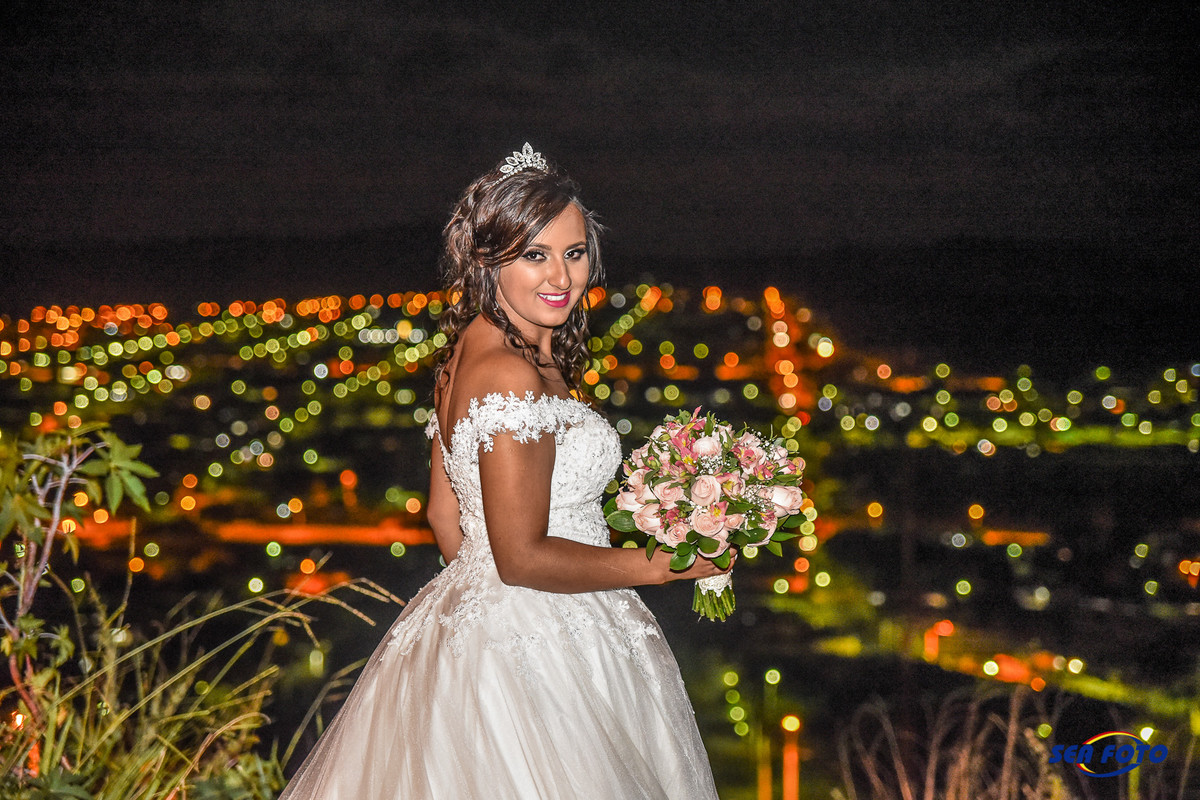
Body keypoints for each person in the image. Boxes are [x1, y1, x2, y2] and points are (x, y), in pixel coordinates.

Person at [278, 144, 727, 799]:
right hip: (545, 639)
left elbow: (445, 516)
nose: (561, 276)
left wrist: (480, 608)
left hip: (499, 625)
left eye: (575, 253)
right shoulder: (511, 374)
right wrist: (665, 564)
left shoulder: (465, 356)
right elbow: (521, 558)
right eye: (534, 255)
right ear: (488, 261)